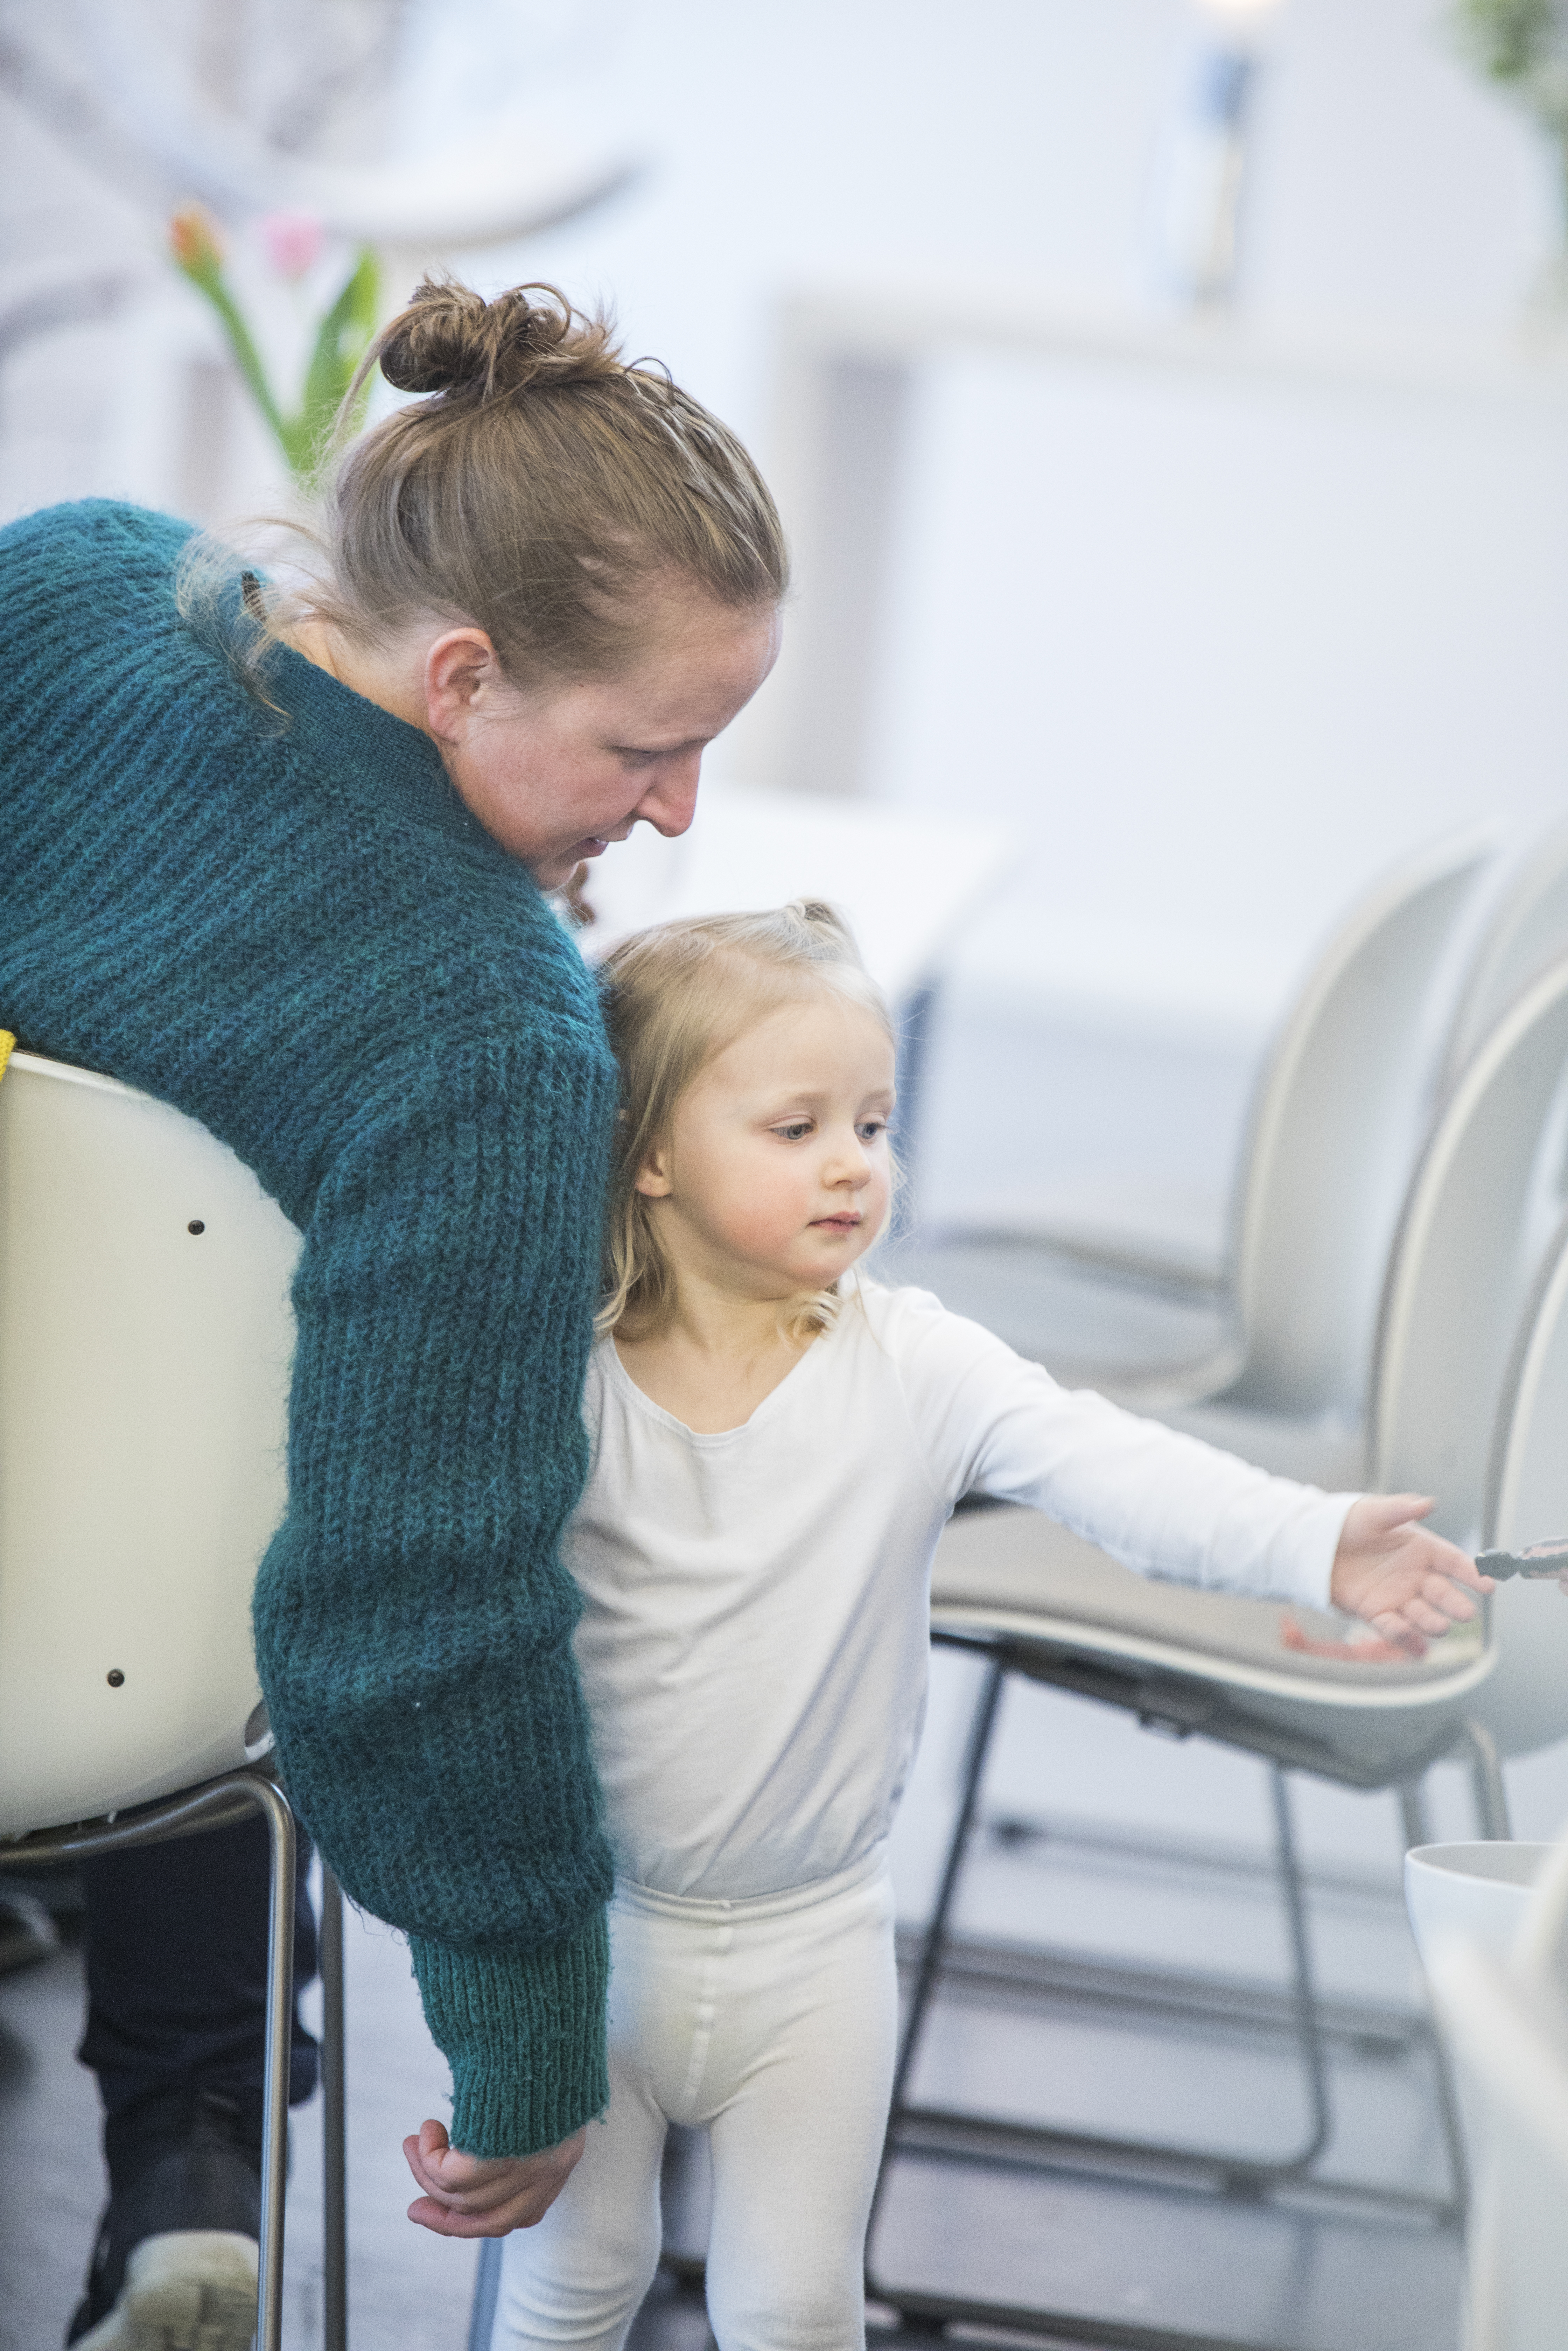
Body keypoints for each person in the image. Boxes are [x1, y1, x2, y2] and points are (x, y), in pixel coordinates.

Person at [0, 278, 785, 2351]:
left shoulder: (61, 589)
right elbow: (411, 1601)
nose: (685, 810)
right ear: (458, 675)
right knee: (238, 1553)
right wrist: (532, 2037)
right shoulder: (496, 1035)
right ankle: (198, 2157)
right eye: (653, 747)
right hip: (115, 1683)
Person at [483, 899, 1492, 2351]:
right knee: (573, 2285)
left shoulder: (920, 1366)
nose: (853, 1164)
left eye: (875, 1125)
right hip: (597, 1940)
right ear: (647, 1153)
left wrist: (1314, 1543)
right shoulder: (556, 1383)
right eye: (796, 1128)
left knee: (800, 2306)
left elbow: (1119, 1472)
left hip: (813, 1943)